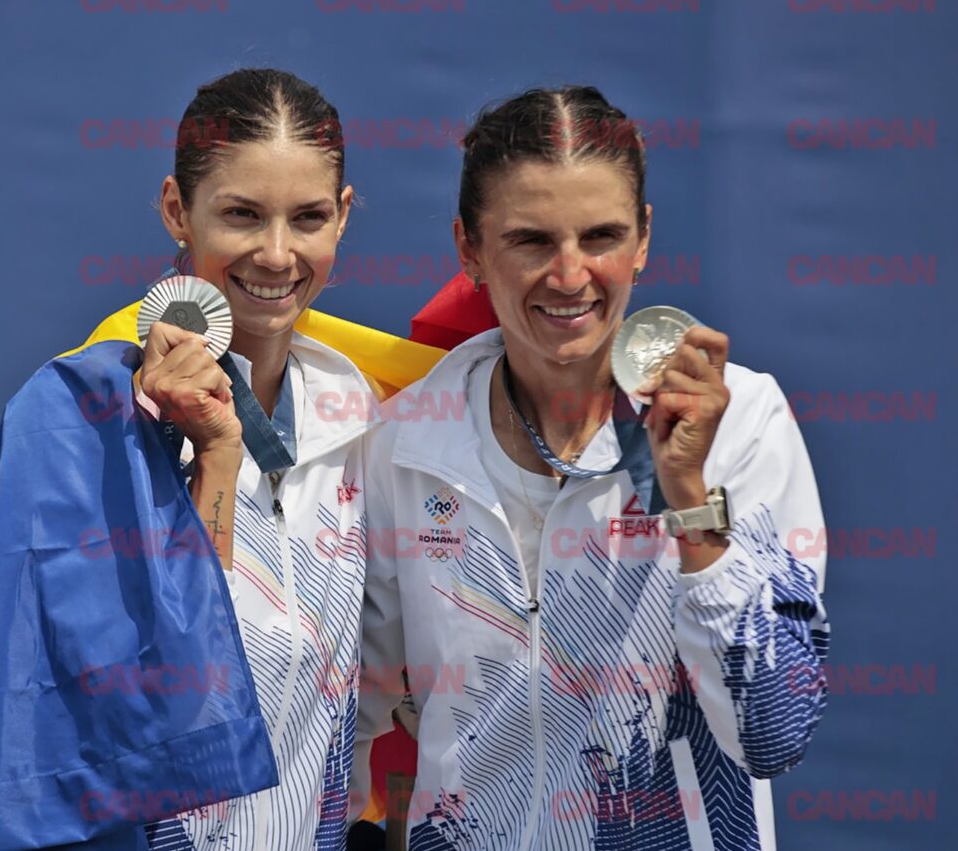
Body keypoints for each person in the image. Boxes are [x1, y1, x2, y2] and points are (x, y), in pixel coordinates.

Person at [0, 68, 419, 851]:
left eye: (307, 217)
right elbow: (151, 706)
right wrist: (220, 460)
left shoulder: (355, 406)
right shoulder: (84, 421)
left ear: (341, 217)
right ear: (178, 210)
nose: (277, 254)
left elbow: (370, 691)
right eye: (241, 214)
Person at [354, 86, 830, 849]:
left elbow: (772, 731)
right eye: (532, 240)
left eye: (601, 236)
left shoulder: (740, 423)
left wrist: (687, 499)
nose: (571, 276)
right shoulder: (406, 445)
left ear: (644, 239)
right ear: (469, 248)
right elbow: (344, 721)